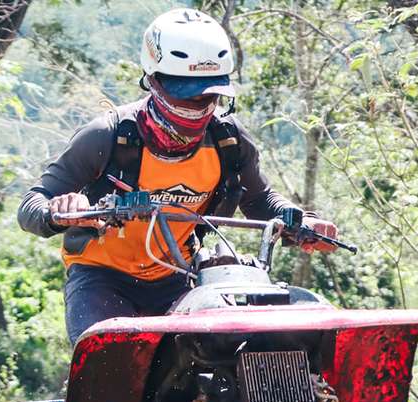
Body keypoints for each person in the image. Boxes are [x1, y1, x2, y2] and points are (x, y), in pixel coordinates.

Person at [18, 7, 341, 342]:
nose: (198, 106)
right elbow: (31, 203)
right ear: (153, 82)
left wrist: (303, 222)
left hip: (177, 278)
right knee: (107, 365)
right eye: (185, 94)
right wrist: (59, 211)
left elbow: (259, 200)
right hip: (101, 278)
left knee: (232, 353)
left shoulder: (228, 141)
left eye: (209, 96)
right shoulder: (108, 136)